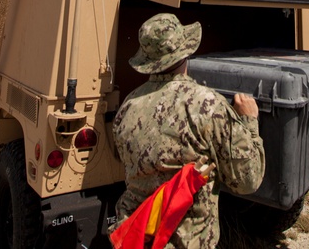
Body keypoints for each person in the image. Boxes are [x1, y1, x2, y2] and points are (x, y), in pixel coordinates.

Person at [112, 13, 265, 248]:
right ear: (185, 53)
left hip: (136, 236)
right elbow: (247, 180)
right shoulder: (207, 105)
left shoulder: (127, 108)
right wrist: (249, 122)